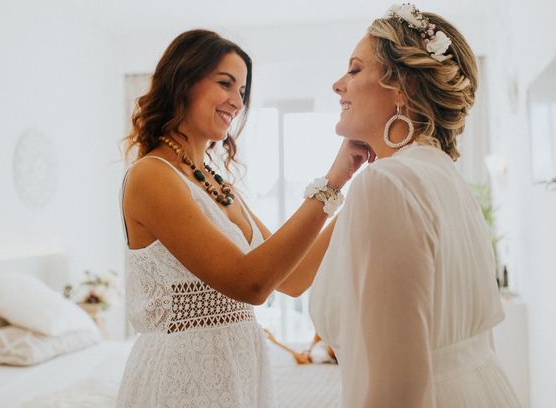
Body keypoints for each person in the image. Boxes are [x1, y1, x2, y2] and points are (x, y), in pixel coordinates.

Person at [116, 29, 369, 407]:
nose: (237, 102)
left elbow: (294, 279)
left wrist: (363, 196)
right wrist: (333, 180)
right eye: (225, 84)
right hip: (182, 379)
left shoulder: (220, 185)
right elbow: (250, 283)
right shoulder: (152, 175)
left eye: (243, 91)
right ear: (183, 81)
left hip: (237, 371)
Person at [309, 4, 523, 407]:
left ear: (402, 87)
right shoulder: (445, 175)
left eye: (355, 70)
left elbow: (396, 393)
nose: (339, 85)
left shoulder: (386, 185)